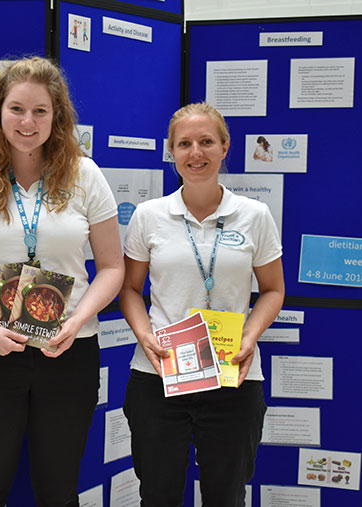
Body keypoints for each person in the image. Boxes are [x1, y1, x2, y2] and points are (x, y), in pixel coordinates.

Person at [0, 56, 124, 507]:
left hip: (67, 351)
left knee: (58, 490)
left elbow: (113, 267)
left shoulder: (86, 175)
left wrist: (76, 321)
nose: (27, 121)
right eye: (16, 109)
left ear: (57, 117)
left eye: (40, 110)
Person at [119, 102, 285, 506]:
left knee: (226, 496)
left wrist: (249, 337)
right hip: (159, 373)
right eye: (185, 143)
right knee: (158, 495)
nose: (196, 153)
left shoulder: (254, 215)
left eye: (206, 142)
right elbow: (129, 290)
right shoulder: (148, 215)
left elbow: (273, 290)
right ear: (171, 151)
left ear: (225, 147)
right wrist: (145, 336)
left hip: (233, 374)